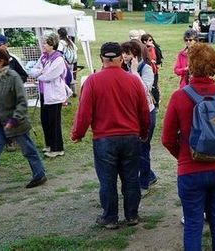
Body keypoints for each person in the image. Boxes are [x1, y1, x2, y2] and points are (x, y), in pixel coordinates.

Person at [161, 43, 215, 250]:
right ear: (214, 67)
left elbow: (167, 138)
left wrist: (184, 155)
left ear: (190, 66)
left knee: (193, 224)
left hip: (190, 171)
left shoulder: (179, 96)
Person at [71, 42, 150, 229]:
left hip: (104, 138)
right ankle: (132, 215)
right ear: (121, 58)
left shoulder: (92, 81)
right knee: (131, 178)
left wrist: (78, 133)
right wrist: (144, 132)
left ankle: (110, 218)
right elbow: (144, 111)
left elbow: (84, 112)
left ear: (101, 59)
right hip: (131, 136)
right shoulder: (133, 81)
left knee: (107, 180)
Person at [0, 48, 47, 193]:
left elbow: (22, 102)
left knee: (28, 150)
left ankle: (39, 174)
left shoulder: (13, 77)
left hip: (16, 124)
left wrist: (14, 119)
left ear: (0, 62)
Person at [121, 40, 158, 197]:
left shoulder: (145, 68)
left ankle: (144, 183)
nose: (123, 56)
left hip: (147, 114)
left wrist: (135, 72)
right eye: (123, 53)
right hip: (134, 114)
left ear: (135, 55)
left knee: (143, 149)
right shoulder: (127, 67)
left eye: (127, 53)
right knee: (136, 149)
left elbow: (144, 90)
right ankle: (149, 175)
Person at [30, 33, 67, 158]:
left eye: (45, 43)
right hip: (44, 93)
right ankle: (49, 144)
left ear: (52, 44)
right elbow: (33, 70)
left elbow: (49, 76)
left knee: (54, 122)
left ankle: (58, 148)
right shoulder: (43, 57)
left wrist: (40, 73)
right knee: (45, 120)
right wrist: (40, 72)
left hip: (54, 95)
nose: (43, 45)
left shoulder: (58, 59)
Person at [141, 34, 161, 108]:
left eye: (151, 40)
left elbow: (157, 59)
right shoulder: (142, 49)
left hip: (154, 71)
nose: (150, 42)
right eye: (148, 40)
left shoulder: (154, 48)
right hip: (145, 71)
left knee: (154, 87)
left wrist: (153, 48)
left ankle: (156, 105)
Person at [57, 27, 78, 96]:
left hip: (65, 62)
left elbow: (59, 52)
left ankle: (66, 92)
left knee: (64, 77)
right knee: (71, 75)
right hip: (72, 61)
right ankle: (74, 91)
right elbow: (76, 48)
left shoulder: (61, 42)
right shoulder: (69, 40)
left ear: (59, 34)